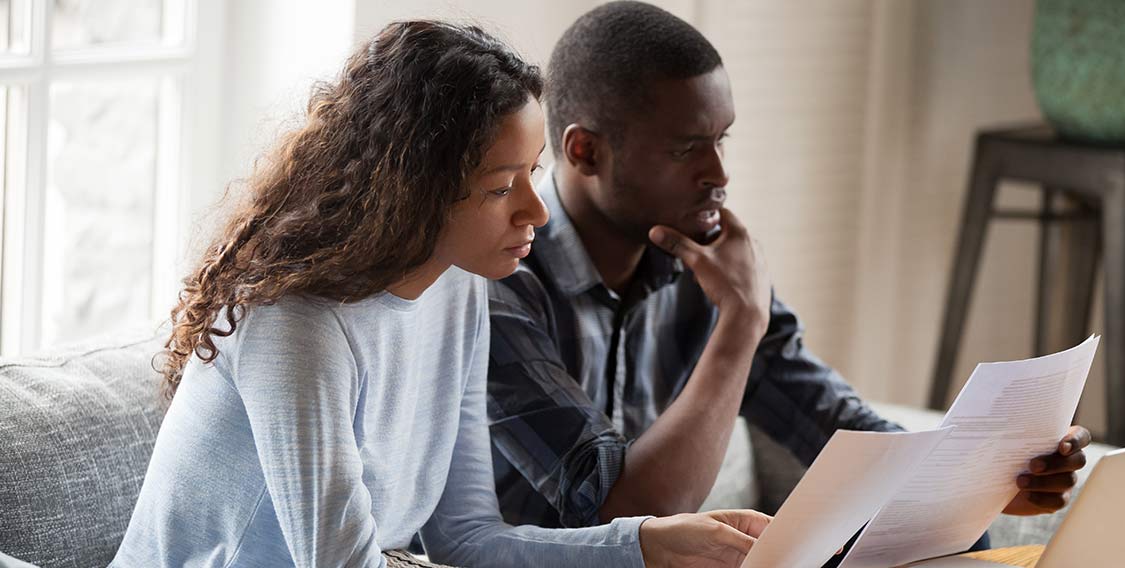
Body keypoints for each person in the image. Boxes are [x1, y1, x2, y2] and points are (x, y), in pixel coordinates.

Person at [111, 20, 772, 568]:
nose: (537, 211)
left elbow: (467, 539)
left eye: (532, 172)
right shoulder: (294, 325)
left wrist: (648, 544)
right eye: (500, 187)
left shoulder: (460, 291)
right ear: (413, 191)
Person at [486, 0, 1091, 545]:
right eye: (685, 149)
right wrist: (740, 322)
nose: (718, 174)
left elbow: (835, 425)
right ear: (586, 151)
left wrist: (988, 478)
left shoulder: (703, 260)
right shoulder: (500, 283)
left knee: (954, 543)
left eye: (721, 140)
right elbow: (629, 519)